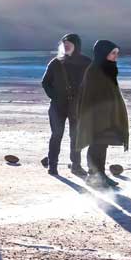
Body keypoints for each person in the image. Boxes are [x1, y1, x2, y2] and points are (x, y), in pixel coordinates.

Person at [75, 40, 129, 190]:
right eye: (113, 53)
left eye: (117, 53)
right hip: (96, 116)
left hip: (107, 114)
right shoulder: (94, 70)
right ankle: (94, 175)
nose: (116, 56)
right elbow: (90, 96)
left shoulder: (108, 68)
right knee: (96, 144)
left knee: (102, 144)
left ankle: (101, 174)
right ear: (103, 53)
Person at [41, 33, 91, 177]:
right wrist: (55, 97)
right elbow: (45, 83)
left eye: (69, 43)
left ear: (77, 45)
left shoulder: (86, 62)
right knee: (56, 135)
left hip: (77, 106)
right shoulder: (56, 62)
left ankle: (76, 166)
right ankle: (52, 165)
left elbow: (93, 84)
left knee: (76, 137)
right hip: (57, 106)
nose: (66, 45)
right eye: (64, 43)